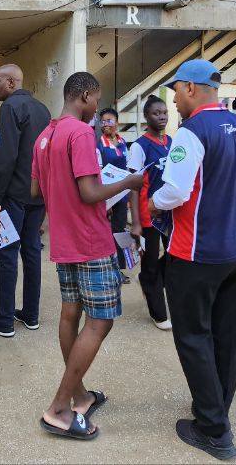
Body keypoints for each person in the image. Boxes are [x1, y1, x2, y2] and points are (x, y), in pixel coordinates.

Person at [147, 60, 236, 460]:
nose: (174, 101)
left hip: (196, 253)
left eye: (176, 92)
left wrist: (152, 203)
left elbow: (175, 191)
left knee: (193, 336)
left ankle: (214, 430)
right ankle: (216, 407)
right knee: (226, 336)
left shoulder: (193, 130)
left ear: (190, 88)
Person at [31, 72, 144, 440]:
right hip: (90, 240)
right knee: (100, 321)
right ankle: (59, 408)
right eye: (96, 99)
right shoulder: (80, 133)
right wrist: (128, 182)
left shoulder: (45, 135)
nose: (97, 107)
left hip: (65, 240)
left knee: (71, 314)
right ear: (83, 96)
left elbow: (36, 189)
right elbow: (90, 192)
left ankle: (79, 396)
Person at [0, 63, 51, 337]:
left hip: (14, 197)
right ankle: (31, 315)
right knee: (32, 252)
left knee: (7, 255)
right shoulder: (42, 109)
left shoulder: (10, 107)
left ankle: (4, 320)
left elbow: (7, 157)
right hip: (38, 195)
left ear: (11, 83)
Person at [126, 95, 173, 330]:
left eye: (164, 112)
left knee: (175, 257)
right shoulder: (139, 146)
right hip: (149, 216)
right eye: (156, 113)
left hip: (171, 213)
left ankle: (146, 279)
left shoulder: (171, 142)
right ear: (146, 116)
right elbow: (133, 187)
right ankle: (159, 314)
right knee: (151, 263)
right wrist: (136, 222)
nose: (162, 117)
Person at [96, 108, 134, 285]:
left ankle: (118, 269)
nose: (105, 124)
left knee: (119, 231)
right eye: (103, 121)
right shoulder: (99, 145)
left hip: (122, 196)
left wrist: (128, 197)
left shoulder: (122, 142)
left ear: (117, 122)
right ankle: (108, 270)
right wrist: (106, 201)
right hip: (107, 196)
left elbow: (127, 169)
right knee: (106, 233)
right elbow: (98, 174)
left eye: (109, 120)